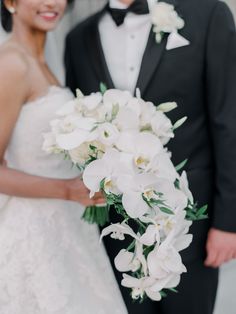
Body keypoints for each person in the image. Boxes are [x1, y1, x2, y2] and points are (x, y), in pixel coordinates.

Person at [65, 0, 236, 313]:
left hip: (191, 222)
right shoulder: (78, 40)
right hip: (115, 227)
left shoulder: (208, 14)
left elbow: (229, 121)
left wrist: (228, 222)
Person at [0, 0, 128, 313]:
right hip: (36, 236)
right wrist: (68, 190)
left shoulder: (44, 61)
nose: (52, 2)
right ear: (10, 2)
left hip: (70, 227)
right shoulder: (11, 64)